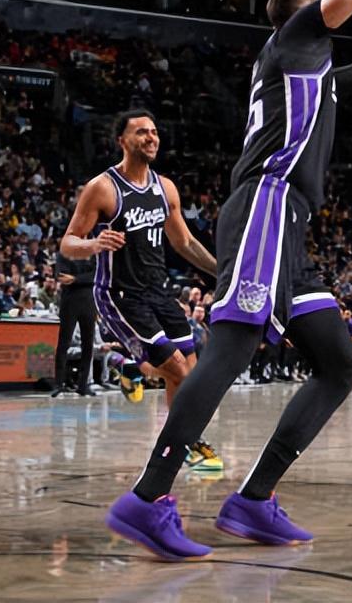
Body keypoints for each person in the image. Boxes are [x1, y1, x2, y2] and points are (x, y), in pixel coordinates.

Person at [104, 0, 352, 561]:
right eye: (326, 9)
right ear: (306, 16)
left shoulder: (311, 70)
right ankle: (147, 497)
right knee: (232, 346)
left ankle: (252, 501)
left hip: (289, 220)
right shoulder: (295, 38)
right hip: (266, 202)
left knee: (338, 363)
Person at [59, 111, 222, 471]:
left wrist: (223, 273)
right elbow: (68, 242)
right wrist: (94, 244)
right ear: (122, 141)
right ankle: (181, 444)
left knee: (190, 374)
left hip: (158, 292)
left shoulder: (165, 188)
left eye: (154, 131)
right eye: (141, 132)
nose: (151, 137)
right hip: (119, 294)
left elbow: (184, 242)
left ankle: (133, 370)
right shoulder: (103, 187)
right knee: (178, 371)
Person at [52, 233, 97, 396]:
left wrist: (76, 279)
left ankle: (83, 384)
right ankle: (58, 383)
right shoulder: (64, 252)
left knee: (88, 343)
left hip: (88, 301)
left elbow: (96, 275)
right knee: (64, 342)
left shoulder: (93, 253)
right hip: (69, 300)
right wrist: (83, 279)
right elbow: (61, 276)